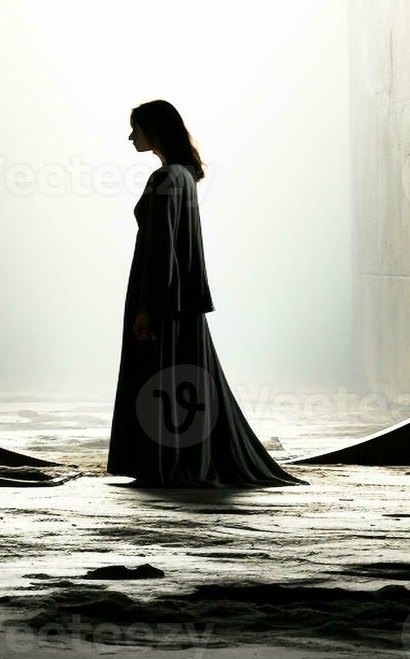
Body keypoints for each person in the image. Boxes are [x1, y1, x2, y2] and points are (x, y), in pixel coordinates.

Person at [106, 100, 303, 487]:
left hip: (161, 299)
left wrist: (148, 308)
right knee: (182, 384)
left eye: (136, 129)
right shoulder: (183, 176)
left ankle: (166, 465)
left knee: (160, 382)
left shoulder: (164, 180)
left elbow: (162, 249)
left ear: (155, 131)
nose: (131, 137)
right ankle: (177, 461)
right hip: (182, 301)